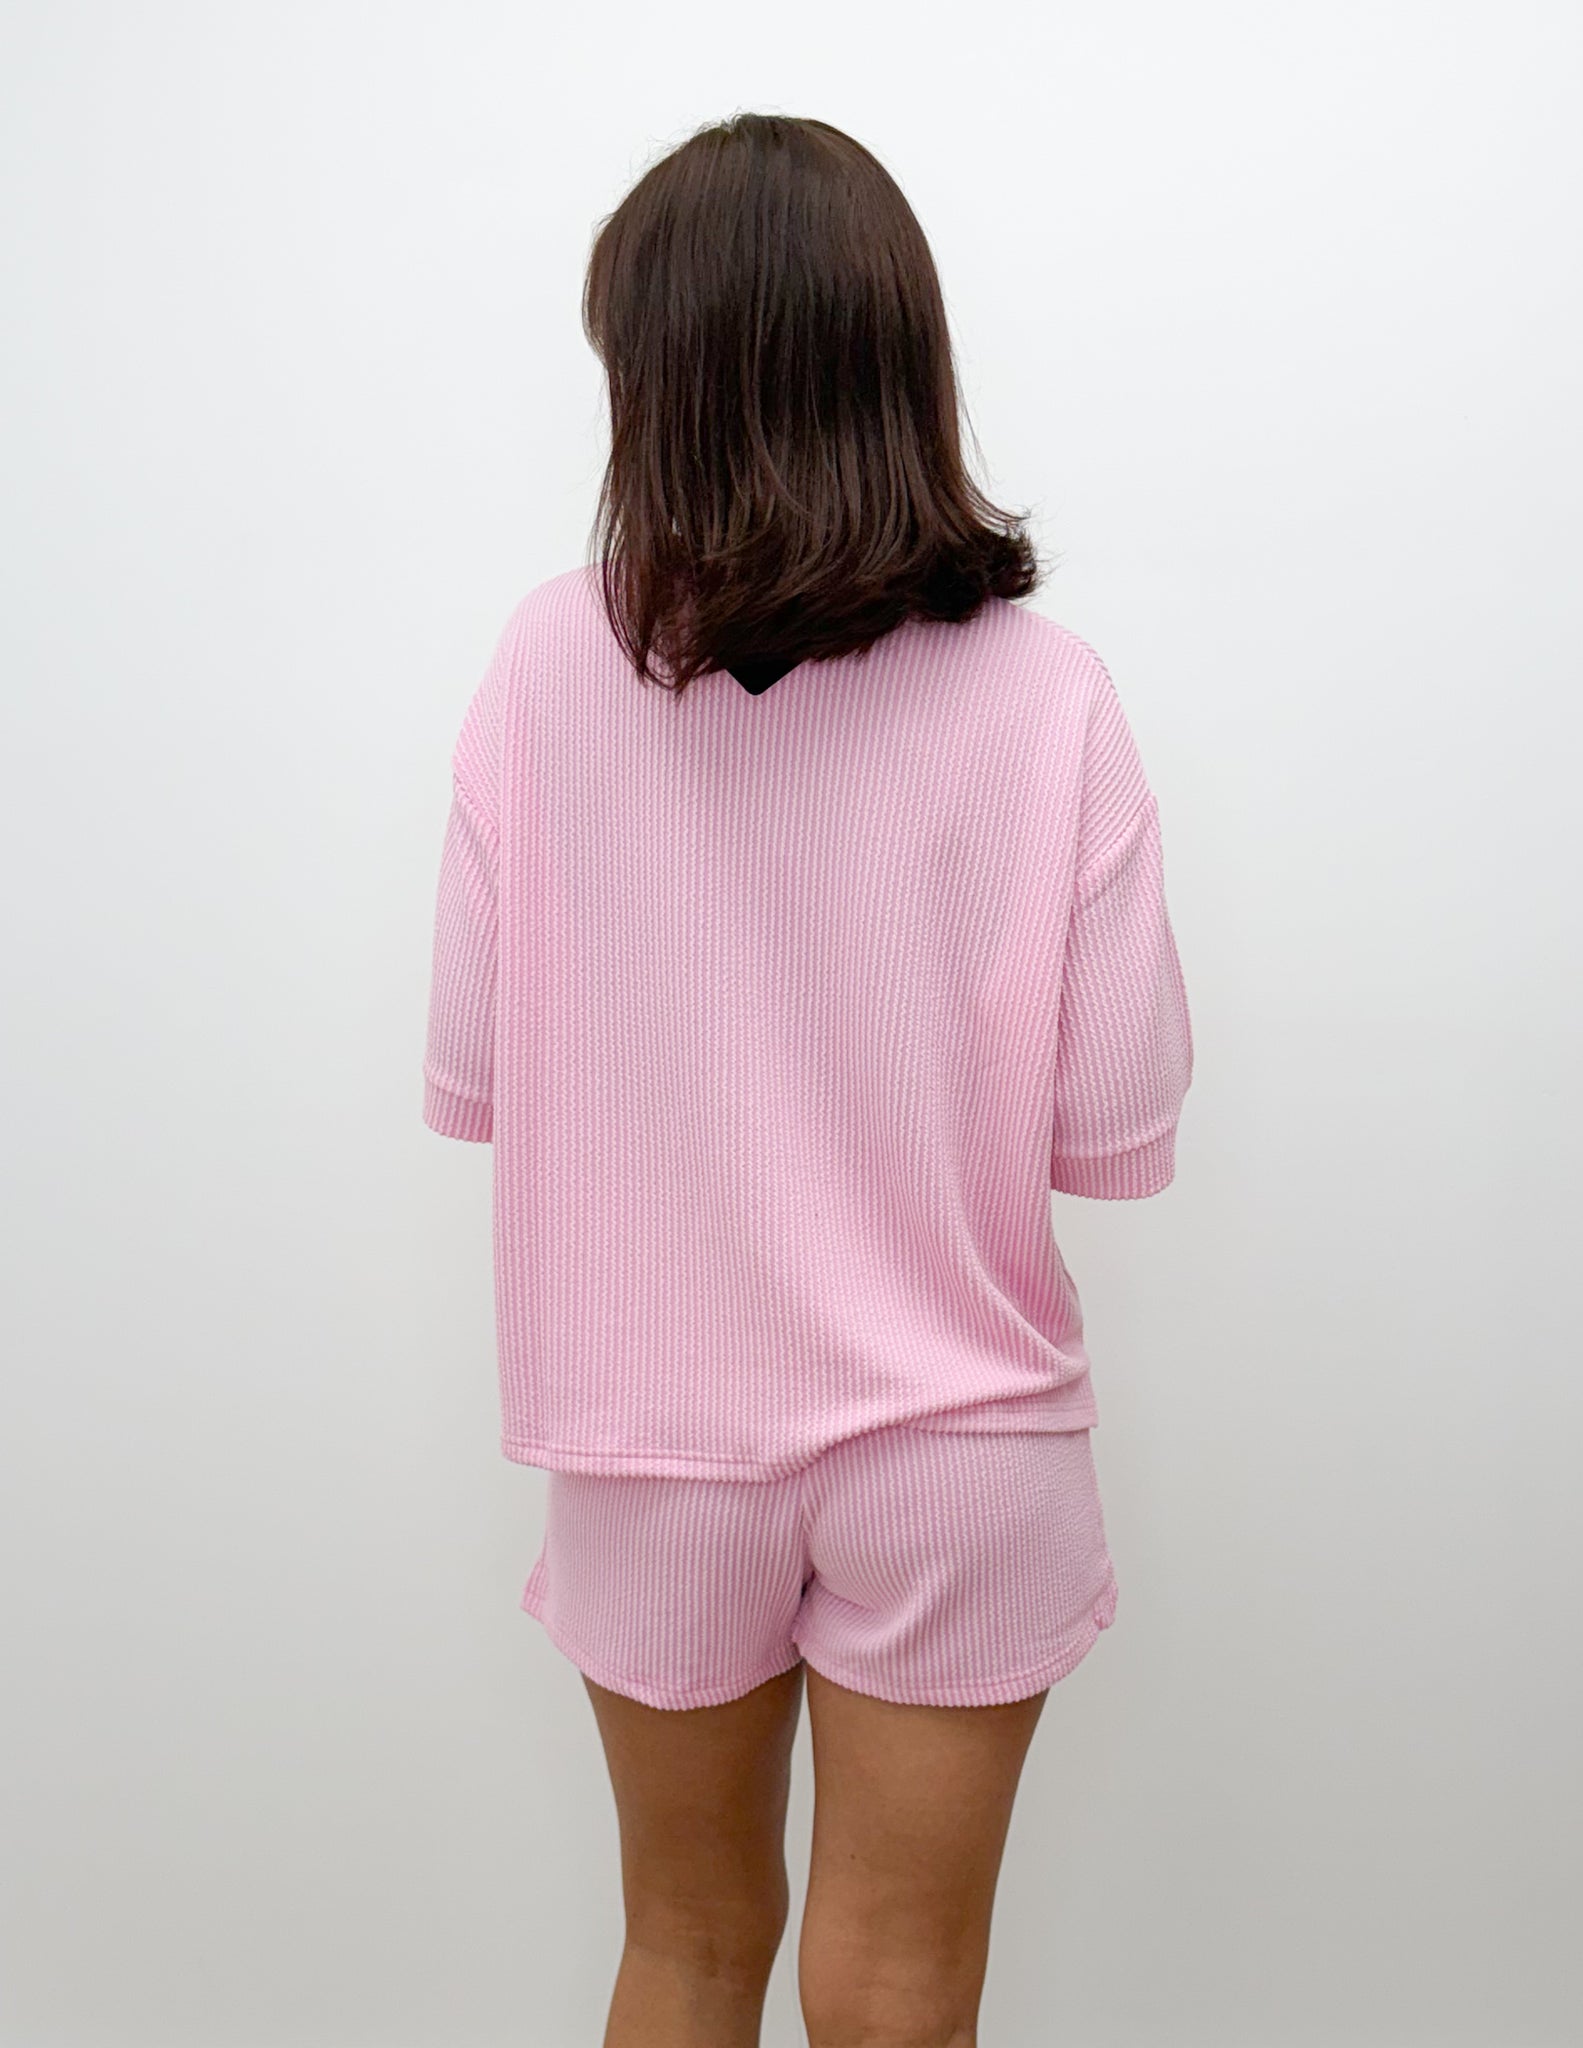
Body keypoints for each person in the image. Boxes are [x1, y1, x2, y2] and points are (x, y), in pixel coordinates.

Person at [422, 110, 1193, 2048]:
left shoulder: (542, 666)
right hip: (958, 1439)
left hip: (649, 1433)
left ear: (657, 382)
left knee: (686, 1945)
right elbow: (1117, 1121)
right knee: (902, 1984)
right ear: (898, 366)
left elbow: (476, 1064)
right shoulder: (1048, 695)